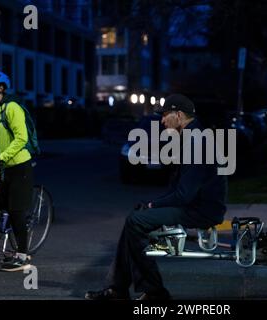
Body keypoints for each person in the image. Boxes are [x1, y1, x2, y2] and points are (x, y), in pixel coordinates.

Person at [85, 94, 228, 300]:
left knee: (137, 220)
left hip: (201, 210)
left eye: (165, 115)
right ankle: (117, 288)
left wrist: (154, 204)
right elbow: (181, 188)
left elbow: (184, 194)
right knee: (135, 217)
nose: (162, 121)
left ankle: (154, 291)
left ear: (178, 115)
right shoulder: (193, 136)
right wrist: (152, 205)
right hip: (194, 205)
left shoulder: (197, 142)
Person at [0, 71, 34, 272]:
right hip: (6, 167)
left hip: (20, 165)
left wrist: (1, 157)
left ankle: (23, 256)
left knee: (18, 212)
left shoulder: (12, 108)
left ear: (0, 88)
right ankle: (12, 241)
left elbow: (22, 138)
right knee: (3, 206)